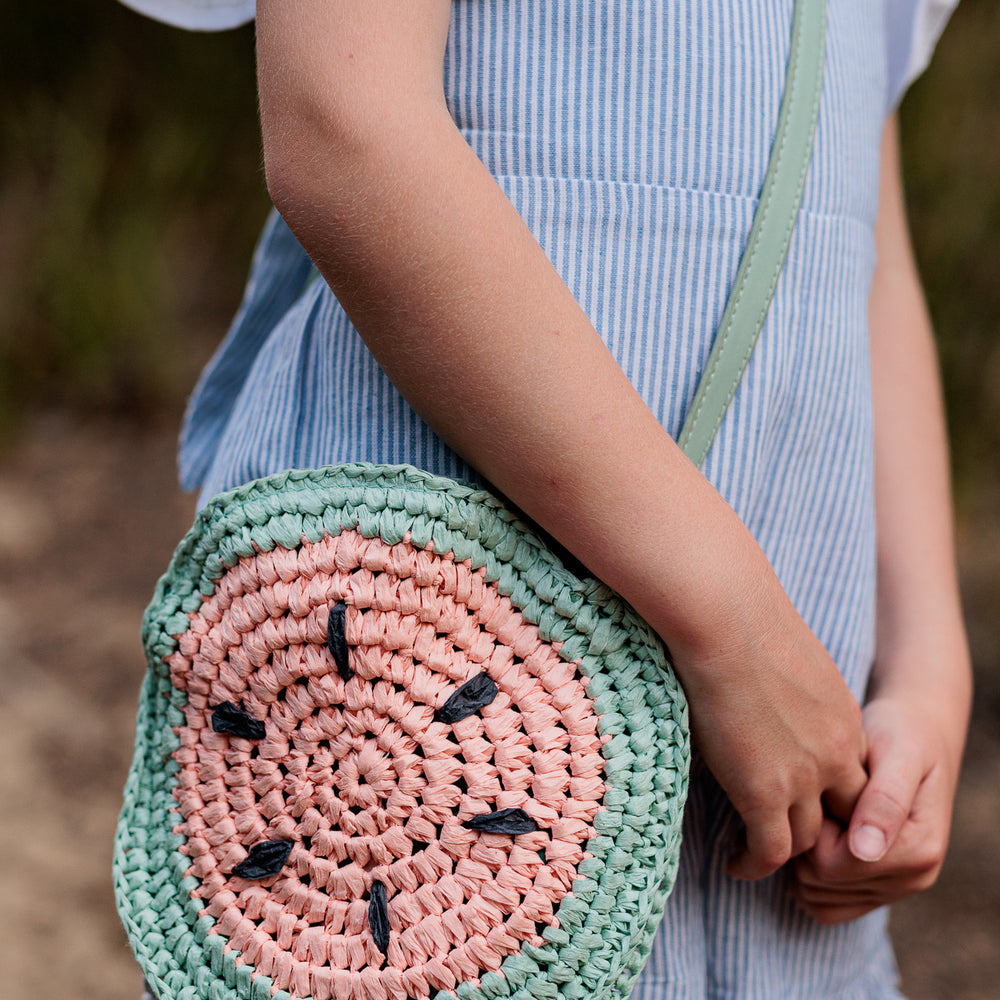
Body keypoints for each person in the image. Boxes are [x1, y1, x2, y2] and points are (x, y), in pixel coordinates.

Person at [121, 1, 972, 996]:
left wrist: (927, 669)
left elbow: (860, 229)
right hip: (428, 689)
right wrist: (731, 628)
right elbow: (343, 125)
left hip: (795, 781)